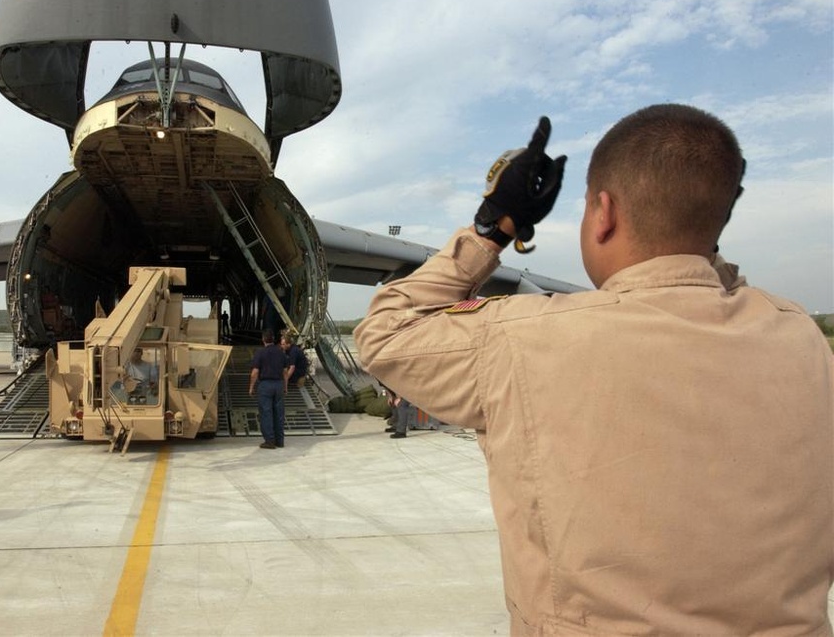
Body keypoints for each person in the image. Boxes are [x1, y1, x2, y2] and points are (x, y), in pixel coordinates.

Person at [354, 105, 833, 634]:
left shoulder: (522, 338)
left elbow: (386, 332)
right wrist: (701, 227)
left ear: (603, 214)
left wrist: (495, 224)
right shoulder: (800, 338)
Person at [248, 329, 291, 449]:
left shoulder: (260, 353)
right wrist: (285, 387)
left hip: (265, 385)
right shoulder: (281, 353)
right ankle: (280, 441)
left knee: (266, 413)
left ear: (263, 340)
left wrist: (251, 387)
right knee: (279, 413)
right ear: (274, 340)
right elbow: (285, 372)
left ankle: (269, 441)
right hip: (279, 385)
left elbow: (255, 372)